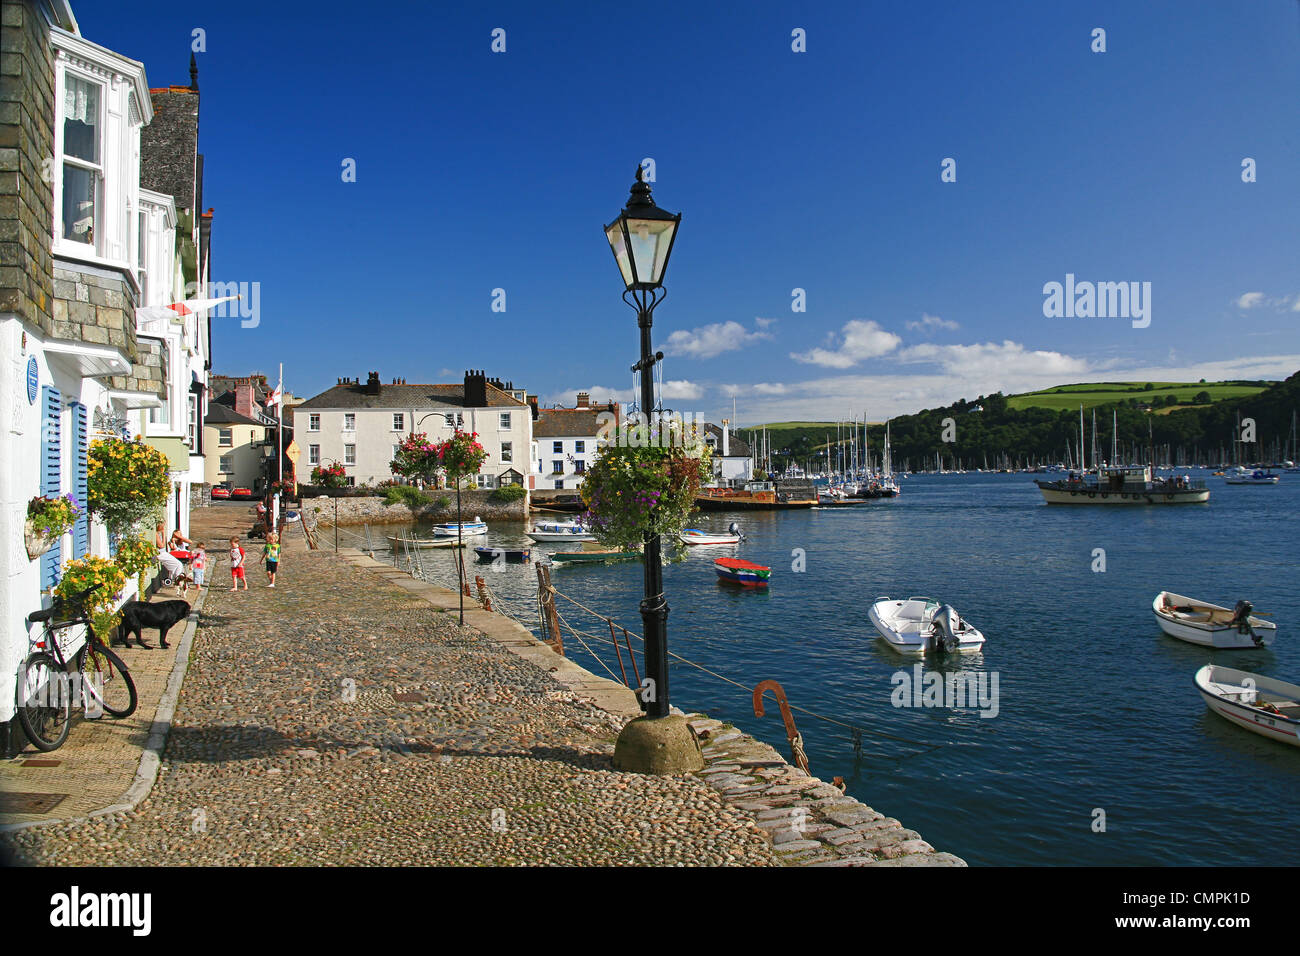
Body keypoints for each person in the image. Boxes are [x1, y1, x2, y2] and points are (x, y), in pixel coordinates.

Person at [155, 522, 185, 592]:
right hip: (161, 553)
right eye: (163, 526)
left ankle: (176, 579)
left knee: (178, 564)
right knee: (178, 564)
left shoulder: (158, 534)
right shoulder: (157, 534)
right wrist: (163, 534)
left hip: (163, 552)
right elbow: (161, 545)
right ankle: (177, 580)